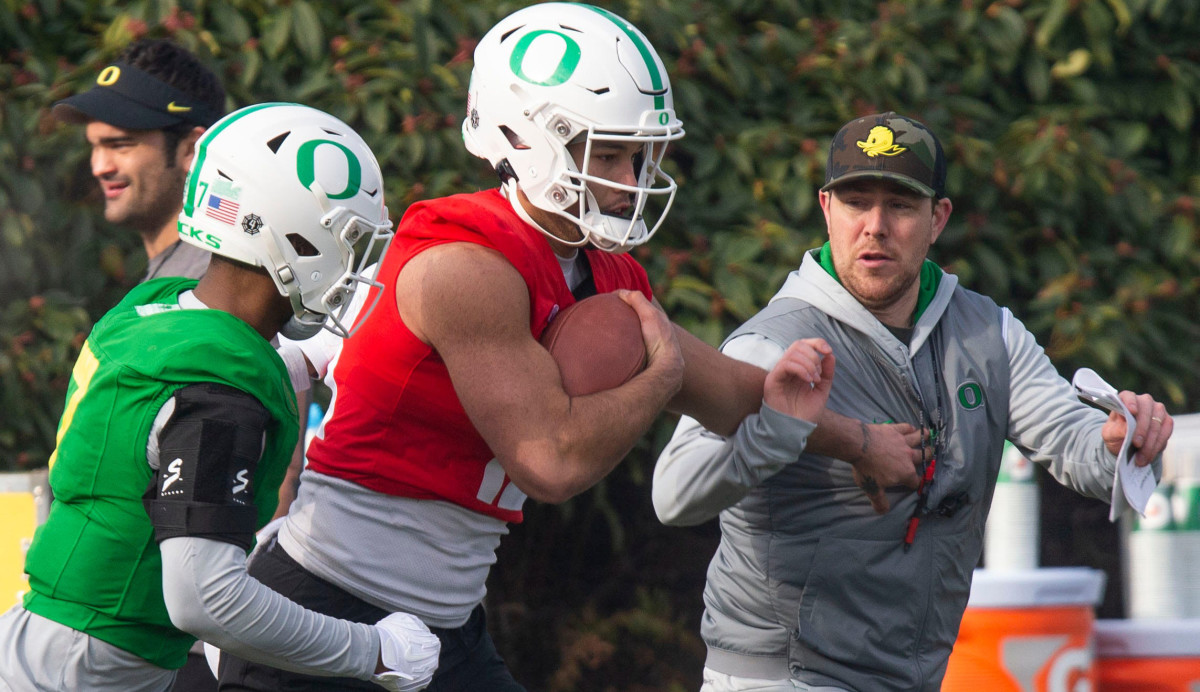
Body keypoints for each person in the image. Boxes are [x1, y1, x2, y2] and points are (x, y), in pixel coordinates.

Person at [215, 6, 923, 691]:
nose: (629, 182)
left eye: (640, 155)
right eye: (607, 153)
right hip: (323, 606)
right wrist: (658, 377)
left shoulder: (602, 275)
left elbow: (743, 393)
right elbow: (549, 462)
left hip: (443, 627)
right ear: (525, 138)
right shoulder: (465, 264)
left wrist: (860, 442)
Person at [651, 111, 1176, 692]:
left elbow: (1078, 447)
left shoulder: (989, 333)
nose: (875, 226)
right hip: (781, 677)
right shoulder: (770, 343)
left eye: (900, 205)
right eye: (856, 202)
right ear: (826, 209)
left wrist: (1122, 441)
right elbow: (674, 494)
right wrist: (780, 427)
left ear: (937, 219)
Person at [0, 103, 441, 692]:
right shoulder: (220, 395)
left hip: (41, 639)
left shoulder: (155, 309)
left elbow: (162, 414)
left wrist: (303, 359)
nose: (357, 262)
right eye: (351, 240)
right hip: (95, 669)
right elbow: (204, 598)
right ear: (297, 239)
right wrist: (373, 652)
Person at [53, 38, 225, 283]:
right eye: (95, 146)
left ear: (191, 150)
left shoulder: (210, 286)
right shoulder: (188, 277)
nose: (99, 168)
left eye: (120, 145)